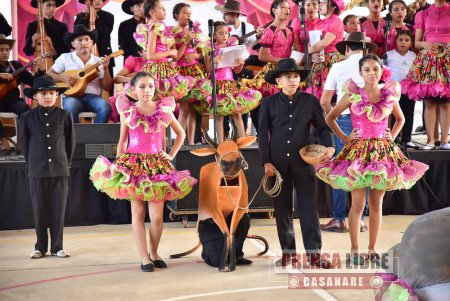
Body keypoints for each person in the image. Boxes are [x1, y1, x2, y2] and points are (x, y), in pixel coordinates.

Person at [315, 55, 428, 264]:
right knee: (358, 204)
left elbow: (401, 119)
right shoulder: (352, 95)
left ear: (381, 71)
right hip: (358, 152)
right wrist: (344, 137)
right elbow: (330, 117)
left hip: (382, 153)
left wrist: (391, 137)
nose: (371, 73)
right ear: (360, 73)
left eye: (375, 69)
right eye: (367, 70)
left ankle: (373, 247)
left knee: (376, 203)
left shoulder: (389, 94)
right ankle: (355, 248)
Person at [90, 71, 197, 272]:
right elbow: (122, 141)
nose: (146, 90)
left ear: (154, 88)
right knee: (138, 212)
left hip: (157, 164)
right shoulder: (128, 112)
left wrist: (171, 154)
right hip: (133, 164)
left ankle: (154, 252)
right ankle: (144, 257)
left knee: (157, 216)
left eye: (150, 86)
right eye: (141, 87)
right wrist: (118, 163)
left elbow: (180, 133)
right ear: (134, 90)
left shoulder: (163, 110)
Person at [258, 58, 335, 268]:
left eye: (295, 76)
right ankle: (288, 253)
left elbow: (323, 128)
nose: (292, 80)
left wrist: (329, 147)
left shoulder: (310, 101)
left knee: (309, 208)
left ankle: (314, 255)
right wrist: (266, 162)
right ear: (279, 81)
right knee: (282, 209)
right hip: (278, 165)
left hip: (303, 163)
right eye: (288, 77)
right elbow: (262, 135)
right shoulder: (268, 103)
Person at [319, 32, 377, 233]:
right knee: (366, 167)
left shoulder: (338, 66)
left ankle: (339, 219)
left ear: (346, 49)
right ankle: (360, 219)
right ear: (367, 50)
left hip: (344, 120)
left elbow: (325, 101)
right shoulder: (376, 67)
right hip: (370, 122)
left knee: (342, 168)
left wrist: (334, 118)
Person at [18, 76, 75, 259]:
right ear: (35, 96)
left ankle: (57, 247)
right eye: (43, 93)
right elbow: (24, 144)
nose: (48, 96)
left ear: (57, 94)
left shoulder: (65, 115)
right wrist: (31, 164)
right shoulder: (27, 117)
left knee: (59, 210)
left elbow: (70, 143)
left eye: (52, 93)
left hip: (60, 169)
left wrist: (65, 163)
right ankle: (40, 247)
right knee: (39, 210)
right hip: (37, 169)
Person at [401, 0, 450, 150]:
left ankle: (444, 141)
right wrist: (425, 45)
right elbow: (416, 42)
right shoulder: (423, 13)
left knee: (446, 101)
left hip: (447, 58)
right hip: (429, 58)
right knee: (429, 101)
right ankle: (430, 141)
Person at [202, 21, 261, 143]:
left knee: (236, 113)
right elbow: (208, 70)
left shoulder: (232, 48)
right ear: (213, 35)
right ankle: (220, 142)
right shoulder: (210, 50)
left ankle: (243, 139)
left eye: (227, 33)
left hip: (230, 83)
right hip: (217, 85)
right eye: (221, 33)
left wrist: (241, 63)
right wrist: (215, 60)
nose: (225, 36)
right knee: (219, 116)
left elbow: (237, 70)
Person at [47, 24, 112, 123]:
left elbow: (107, 88)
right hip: (71, 96)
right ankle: (74, 137)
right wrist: (61, 77)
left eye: (87, 39)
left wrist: (106, 69)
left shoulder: (98, 61)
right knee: (71, 106)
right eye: (80, 40)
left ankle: (97, 136)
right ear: (73, 44)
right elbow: (48, 76)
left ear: (91, 42)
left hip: (93, 97)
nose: (84, 43)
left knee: (105, 106)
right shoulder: (65, 58)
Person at [134, 0, 194, 102]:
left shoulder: (164, 28)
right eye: (162, 8)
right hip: (156, 69)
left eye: (165, 9)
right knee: (157, 101)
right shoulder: (154, 28)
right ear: (152, 12)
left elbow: (175, 57)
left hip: (166, 68)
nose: (165, 11)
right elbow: (150, 56)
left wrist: (185, 42)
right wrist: (169, 52)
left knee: (165, 103)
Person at [172, 2, 210, 145]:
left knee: (194, 109)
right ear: (177, 15)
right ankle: (180, 142)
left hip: (195, 71)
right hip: (181, 72)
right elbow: (175, 56)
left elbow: (201, 54)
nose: (188, 15)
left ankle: (192, 142)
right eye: (185, 13)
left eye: (189, 13)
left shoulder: (195, 30)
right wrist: (186, 42)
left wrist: (194, 56)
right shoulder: (173, 32)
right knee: (184, 108)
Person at [0, 35, 32, 156]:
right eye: (1, 50)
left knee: (25, 110)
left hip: (13, 101)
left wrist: (40, 70)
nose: (5, 52)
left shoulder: (15, 65)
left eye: (7, 50)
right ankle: (4, 143)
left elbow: (32, 81)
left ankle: (21, 142)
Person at [306, 0, 345, 99]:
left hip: (331, 60)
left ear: (333, 6)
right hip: (320, 60)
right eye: (320, 2)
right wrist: (312, 53)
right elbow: (311, 43)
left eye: (323, 3)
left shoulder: (336, 21)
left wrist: (309, 51)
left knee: (329, 93)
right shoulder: (322, 22)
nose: (320, 5)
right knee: (316, 94)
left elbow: (324, 43)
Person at [387, 30, 416, 147]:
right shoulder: (389, 55)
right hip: (394, 89)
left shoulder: (413, 55)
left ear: (411, 43)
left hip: (409, 89)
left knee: (409, 112)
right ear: (395, 41)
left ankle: (407, 138)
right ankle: (395, 137)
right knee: (395, 113)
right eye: (400, 40)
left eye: (407, 40)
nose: (403, 42)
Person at [24, 0, 70, 70]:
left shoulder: (62, 26)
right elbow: (27, 52)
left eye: (54, 5)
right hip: (39, 67)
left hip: (58, 67)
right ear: (40, 7)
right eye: (48, 5)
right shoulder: (33, 26)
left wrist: (52, 48)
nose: (52, 8)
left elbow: (67, 52)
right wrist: (33, 43)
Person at [75, 0, 115, 79]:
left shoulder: (108, 16)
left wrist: (96, 18)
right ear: (87, 2)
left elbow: (105, 33)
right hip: (86, 53)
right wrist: (85, 16)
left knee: (107, 81)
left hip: (103, 52)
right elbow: (77, 33)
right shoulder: (80, 16)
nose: (97, 1)